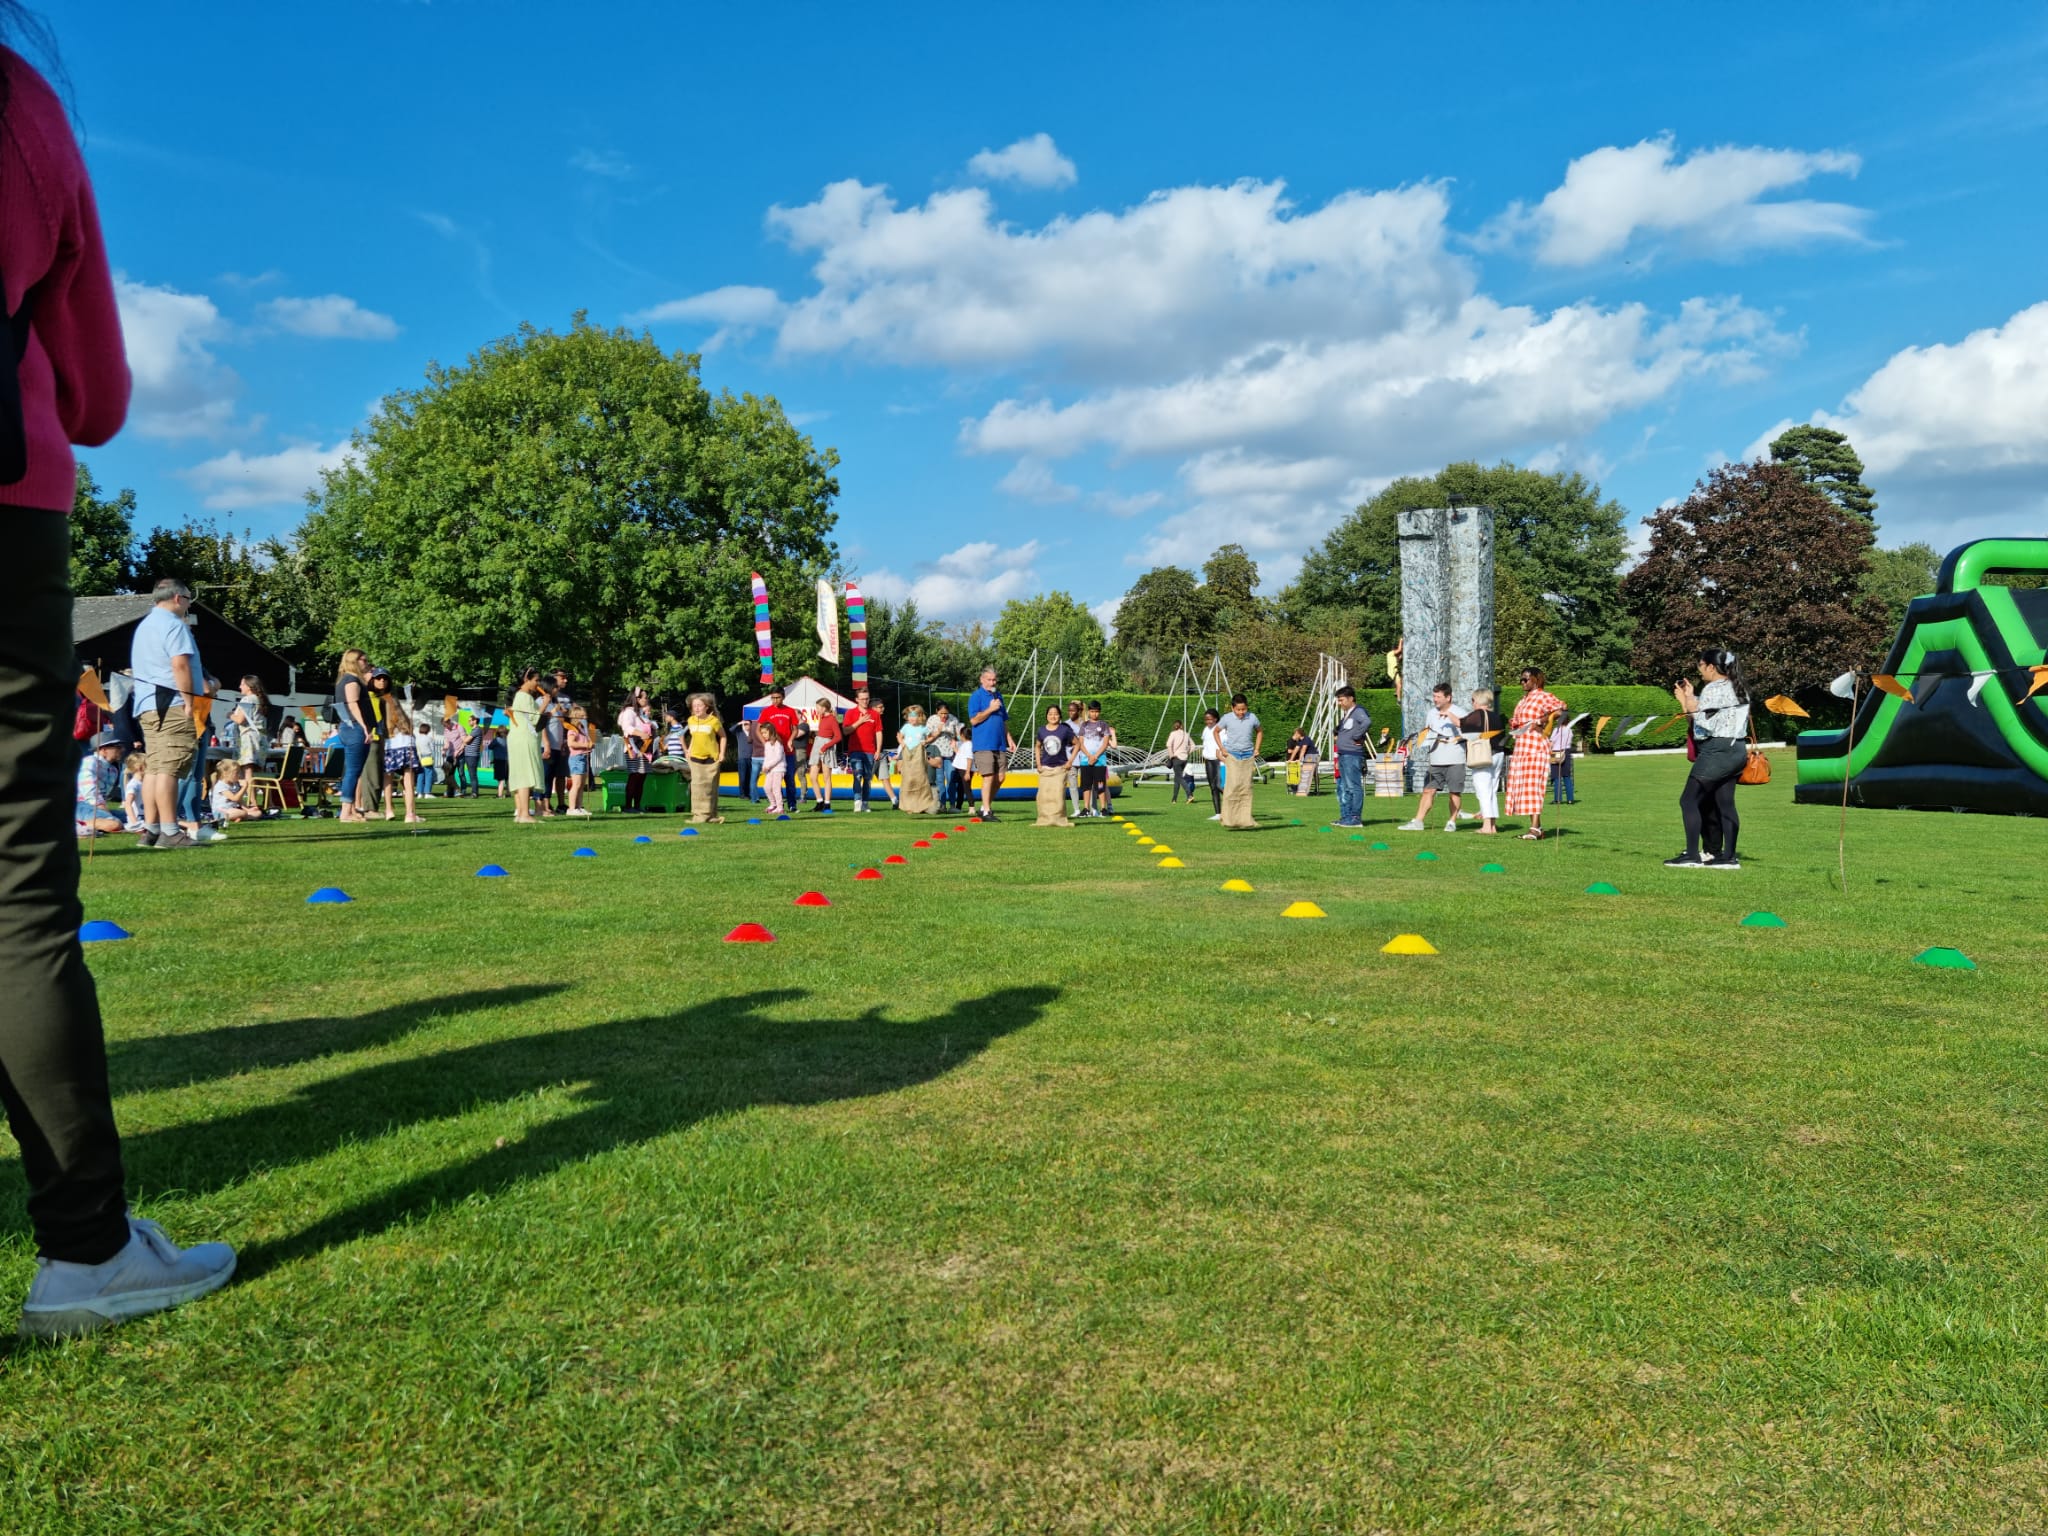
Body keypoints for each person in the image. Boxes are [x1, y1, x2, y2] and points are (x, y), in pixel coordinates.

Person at [3, 24, 236, 1336]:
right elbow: (92, 395)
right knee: (13, 886)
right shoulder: (21, 107)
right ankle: (86, 1249)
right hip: (4, 506)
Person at [128, 579, 203, 850]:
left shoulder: (144, 625)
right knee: (170, 768)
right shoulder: (173, 625)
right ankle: (171, 832)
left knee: (156, 768)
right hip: (170, 703)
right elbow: (180, 664)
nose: (189, 603)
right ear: (178, 598)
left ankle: (151, 829)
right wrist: (189, 701)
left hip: (148, 704)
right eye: (188, 598)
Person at [1667, 649, 1751, 870]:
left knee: (1688, 800)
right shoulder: (1738, 686)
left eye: (1701, 666)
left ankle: (1693, 855)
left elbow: (1706, 723)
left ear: (1711, 667)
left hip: (1716, 750)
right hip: (1738, 749)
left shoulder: (1713, 689)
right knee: (1726, 804)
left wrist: (1690, 704)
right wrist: (1692, 699)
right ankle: (1728, 857)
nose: (1700, 670)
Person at [1506, 667, 1566, 841]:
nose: (1523, 683)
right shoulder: (1522, 700)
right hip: (1521, 746)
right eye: (1521, 680)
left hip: (1536, 746)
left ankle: (1534, 829)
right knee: (1523, 786)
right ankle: (1537, 827)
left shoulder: (1543, 696)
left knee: (1533, 786)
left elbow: (1561, 710)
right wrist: (1515, 723)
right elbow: (1519, 722)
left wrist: (1541, 721)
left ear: (1536, 680)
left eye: (1526, 679)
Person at [1401, 683, 1467, 832]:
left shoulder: (1459, 712)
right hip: (1436, 760)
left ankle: (1451, 822)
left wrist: (1452, 732)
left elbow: (1468, 732)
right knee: (1428, 790)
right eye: (1434, 696)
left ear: (1448, 697)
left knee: (1454, 792)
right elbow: (1428, 732)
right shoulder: (1431, 713)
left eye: (1438, 696)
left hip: (1455, 759)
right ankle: (1418, 821)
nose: (1435, 699)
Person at [332, 649, 376, 826]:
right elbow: (353, 705)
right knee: (353, 771)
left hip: (350, 728)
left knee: (353, 770)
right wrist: (365, 727)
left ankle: (350, 810)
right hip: (354, 728)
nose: (366, 662)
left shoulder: (346, 680)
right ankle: (345, 812)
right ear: (354, 661)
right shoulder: (351, 680)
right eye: (363, 660)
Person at [967, 667, 1014, 821]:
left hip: (999, 743)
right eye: (989, 679)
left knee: (1000, 778)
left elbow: (1003, 720)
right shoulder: (976, 696)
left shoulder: (998, 696)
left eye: (994, 680)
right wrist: (990, 709)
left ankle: (984, 807)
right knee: (988, 777)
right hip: (983, 744)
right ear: (982, 680)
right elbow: (974, 720)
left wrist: (1009, 739)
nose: (992, 682)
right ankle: (987, 811)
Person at [1460, 688, 1505, 835]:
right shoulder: (1496, 717)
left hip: (1484, 755)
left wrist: (1449, 715)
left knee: (1483, 790)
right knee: (1492, 790)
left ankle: (1486, 826)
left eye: (1473, 700)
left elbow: (1463, 725)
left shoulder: (1477, 715)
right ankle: (1492, 825)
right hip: (1498, 754)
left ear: (1478, 701)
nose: (1472, 703)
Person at [1216, 696, 1262, 827]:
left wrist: (1257, 748)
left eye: (1244, 709)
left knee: (1246, 788)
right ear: (1232, 708)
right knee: (1232, 787)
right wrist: (1222, 748)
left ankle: (1245, 819)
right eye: (1238, 709)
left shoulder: (1252, 717)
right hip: (1233, 755)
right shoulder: (1227, 718)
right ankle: (1228, 819)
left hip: (1248, 755)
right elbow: (1216, 731)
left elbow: (1259, 732)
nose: (1241, 712)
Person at [1330, 684, 1371, 829]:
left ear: (1351, 698)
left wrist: (1357, 735)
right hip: (1343, 754)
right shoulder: (1348, 714)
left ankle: (1355, 818)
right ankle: (1346, 817)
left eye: (1341, 700)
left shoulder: (1358, 711)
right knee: (1345, 787)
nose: (1339, 703)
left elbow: (1366, 722)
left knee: (1353, 787)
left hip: (1352, 755)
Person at [509, 670, 547, 823]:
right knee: (525, 774)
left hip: (520, 738)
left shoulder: (521, 696)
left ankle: (521, 814)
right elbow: (534, 719)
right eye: (536, 680)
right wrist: (545, 704)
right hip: (524, 738)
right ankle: (524, 814)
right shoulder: (524, 696)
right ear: (526, 679)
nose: (538, 683)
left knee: (522, 773)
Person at [682, 692, 726, 824]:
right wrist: (688, 750)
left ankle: (711, 815)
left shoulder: (714, 721)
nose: (696, 708)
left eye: (699, 705)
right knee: (696, 787)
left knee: (710, 787)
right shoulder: (691, 720)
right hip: (695, 758)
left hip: (711, 758)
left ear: (706, 706)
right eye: (694, 706)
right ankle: (698, 815)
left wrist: (722, 753)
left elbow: (723, 737)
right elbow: (692, 737)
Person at [755, 685, 800, 808]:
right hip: (773, 753)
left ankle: (792, 804)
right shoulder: (766, 711)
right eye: (773, 698)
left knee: (789, 779)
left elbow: (795, 729)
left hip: (787, 751)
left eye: (778, 697)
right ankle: (775, 804)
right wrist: (766, 744)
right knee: (773, 781)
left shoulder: (790, 711)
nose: (775, 700)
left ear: (783, 697)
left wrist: (791, 740)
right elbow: (758, 730)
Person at [380, 694, 422, 824]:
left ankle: (388, 810)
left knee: (387, 779)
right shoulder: (405, 719)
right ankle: (409, 814)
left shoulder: (382, 721)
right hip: (407, 746)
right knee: (409, 782)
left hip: (389, 748)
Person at [74, 730, 124, 837]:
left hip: (93, 807)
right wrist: (103, 809)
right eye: (117, 747)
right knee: (114, 824)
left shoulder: (113, 769)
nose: (122, 749)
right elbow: (90, 792)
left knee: (133, 818)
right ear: (104, 749)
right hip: (80, 805)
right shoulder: (90, 761)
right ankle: (72, 824)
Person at [1033, 705, 1076, 828]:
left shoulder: (1064, 730)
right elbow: (1037, 746)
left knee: (1058, 794)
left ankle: (1059, 819)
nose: (1053, 716)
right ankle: (1044, 819)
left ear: (1060, 716)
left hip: (1060, 768)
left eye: (1056, 714)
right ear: (1047, 716)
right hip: (1045, 768)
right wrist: (1038, 763)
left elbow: (1077, 744)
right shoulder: (1041, 730)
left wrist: (1070, 761)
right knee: (1043, 795)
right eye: (1050, 714)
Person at [358, 669, 393, 818]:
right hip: (371, 738)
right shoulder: (368, 696)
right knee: (371, 774)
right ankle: (370, 809)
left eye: (385, 679)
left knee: (377, 773)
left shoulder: (384, 698)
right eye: (378, 678)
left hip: (381, 739)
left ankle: (369, 807)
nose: (382, 681)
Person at [842, 688, 883, 812]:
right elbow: (845, 731)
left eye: (867, 698)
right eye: (863, 699)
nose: (865, 701)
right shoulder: (850, 713)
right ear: (857, 700)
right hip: (855, 750)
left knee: (867, 777)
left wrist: (878, 750)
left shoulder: (874, 714)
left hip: (870, 751)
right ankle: (857, 801)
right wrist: (859, 721)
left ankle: (865, 802)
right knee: (857, 774)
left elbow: (879, 732)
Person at [616, 685, 653, 813]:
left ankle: (637, 805)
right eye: (644, 698)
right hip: (633, 748)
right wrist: (641, 733)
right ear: (636, 699)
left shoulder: (640, 713)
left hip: (644, 748)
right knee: (634, 776)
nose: (646, 700)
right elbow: (627, 727)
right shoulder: (628, 712)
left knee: (641, 777)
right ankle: (628, 806)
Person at [1075, 701, 1115, 817]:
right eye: (1092, 711)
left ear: (1099, 712)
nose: (1094, 714)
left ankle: (1103, 808)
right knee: (1086, 786)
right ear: (1088, 712)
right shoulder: (1084, 725)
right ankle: (1086, 809)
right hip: (1085, 760)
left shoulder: (1103, 725)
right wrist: (1088, 756)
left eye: (1097, 711)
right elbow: (1080, 743)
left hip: (1100, 761)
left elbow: (1105, 743)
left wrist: (1096, 756)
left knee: (1101, 785)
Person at [896, 705, 938, 814]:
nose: (912, 719)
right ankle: (908, 804)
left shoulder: (923, 728)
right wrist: (902, 743)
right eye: (910, 716)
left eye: (914, 716)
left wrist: (926, 741)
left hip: (919, 753)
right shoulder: (906, 727)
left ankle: (923, 803)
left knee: (920, 777)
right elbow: (899, 735)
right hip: (908, 752)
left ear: (920, 716)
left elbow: (931, 736)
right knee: (908, 778)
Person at [543, 669, 572, 814]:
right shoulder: (543, 700)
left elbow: (568, 720)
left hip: (560, 744)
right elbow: (541, 722)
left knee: (560, 773)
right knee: (546, 775)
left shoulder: (564, 699)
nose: (565, 681)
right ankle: (544, 805)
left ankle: (560, 804)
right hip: (548, 744)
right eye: (562, 678)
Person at [230, 675, 269, 785]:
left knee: (248, 772)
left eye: (242, 684)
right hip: (261, 738)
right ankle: (268, 802)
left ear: (249, 686)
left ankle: (252, 802)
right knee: (259, 772)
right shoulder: (260, 700)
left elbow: (240, 720)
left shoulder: (247, 699)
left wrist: (230, 715)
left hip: (249, 738)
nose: (240, 686)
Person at [806, 698, 842, 810]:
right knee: (812, 776)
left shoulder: (832, 719)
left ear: (824, 708)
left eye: (817, 708)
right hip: (817, 744)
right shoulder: (822, 717)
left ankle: (827, 803)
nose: (816, 710)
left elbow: (838, 737)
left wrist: (825, 746)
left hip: (827, 746)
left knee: (827, 777)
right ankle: (819, 801)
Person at [564, 706, 594, 816]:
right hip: (576, 758)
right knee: (576, 784)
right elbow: (571, 743)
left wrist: (591, 744)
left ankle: (579, 807)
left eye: (585, 716)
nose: (585, 718)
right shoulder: (573, 730)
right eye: (582, 716)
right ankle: (571, 808)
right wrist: (585, 745)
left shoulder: (583, 730)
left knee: (581, 785)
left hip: (584, 757)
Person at [443, 706, 475, 799]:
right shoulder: (446, 730)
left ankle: (463, 790)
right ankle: (451, 791)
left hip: (460, 754)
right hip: (450, 755)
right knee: (449, 774)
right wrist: (444, 749)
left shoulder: (459, 727)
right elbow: (446, 742)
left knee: (461, 773)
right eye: (444, 726)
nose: (446, 728)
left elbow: (465, 741)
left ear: (449, 722)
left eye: (446, 725)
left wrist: (459, 750)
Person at [759, 720, 788, 815]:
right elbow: (767, 757)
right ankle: (773, 804)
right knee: (766, 787)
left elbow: (778, 757)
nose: (763, 735)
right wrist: (764, 767)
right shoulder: (767, 744)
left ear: (771, 731)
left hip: (778, 769)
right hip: (770, 770)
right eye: (762, 733)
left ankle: (780, 807)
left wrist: (768, 766)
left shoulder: (778, 743)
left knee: (776, 788)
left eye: (765, 733)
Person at [1198, 708, 1223, 819]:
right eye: (1206, 720)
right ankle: (1218, 813)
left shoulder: (1221, 730)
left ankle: (1233, 807)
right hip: (1208, 760)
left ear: (1216, 719)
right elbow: (1205, 743)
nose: (1208, 722)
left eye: (1210, 719)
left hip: (1218, 760)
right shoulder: (1205, 730)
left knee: (1219, 785)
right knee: (1213, 786)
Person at [1064, 699, 1086, 818]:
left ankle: (1090, 808)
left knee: (1087, 784)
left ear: (1078, 711)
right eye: (1069, 711)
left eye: (1073, 710)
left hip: (1084, 758)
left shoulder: (1085, 723)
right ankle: (1076, 809)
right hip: (1071, 758)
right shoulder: (1066, 725)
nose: (1071, 713)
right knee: (1073, 785)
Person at [1164, 719, 1193, 804]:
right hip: (1184, 759)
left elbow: (1168, 745)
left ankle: (1189, 795)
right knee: (1177, 778)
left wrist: (1171, 755)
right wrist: (1187, 752)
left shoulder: (1173, 734)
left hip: (1176, 758)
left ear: (1174, 726)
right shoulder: (1186, 734)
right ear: (1181, 726)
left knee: (1179, 778)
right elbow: (1193, 745)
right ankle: (1174, 799)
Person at [1550, 720, 1577, 806]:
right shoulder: (1570, 730)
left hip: (1556, 752)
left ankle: (1558, 799)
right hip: (1566, 751)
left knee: (1557, 777)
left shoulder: (1556, 730)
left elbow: (1551, 742)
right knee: (1567, 776)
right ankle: (1570, 799)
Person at [120, 751, 147, 833]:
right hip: (139, 818)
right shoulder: (134, 785)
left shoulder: (144, 783)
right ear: (140, 768)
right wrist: (135, 822)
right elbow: (128, 804)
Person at [412, 713, 437, 799]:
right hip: (428, 757)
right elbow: (432, 749)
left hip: (419, 757)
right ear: (428, 730)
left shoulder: (417, 738)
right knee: (429, 775)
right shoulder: (429, 738)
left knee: (420, 775)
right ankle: (427, 792)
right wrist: (433, 758)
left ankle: (419, 793)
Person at [735, 716, 759, 803]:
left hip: (752, 758)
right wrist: (739, 723)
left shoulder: (754, 734)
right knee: (742, 777)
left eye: (747, 724)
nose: (746, 726)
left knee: (750, 777)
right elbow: (731, 729)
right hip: (742, 758)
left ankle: (748, 794)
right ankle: (742, 794)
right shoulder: (740, 733)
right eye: (744, 724)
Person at [949, 731, 973, 815]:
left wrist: (967, 772)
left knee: (967, 788)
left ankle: (971, 807)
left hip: (965, 769)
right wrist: (954, 747)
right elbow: (960, 754)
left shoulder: (969, 745)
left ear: (963, 735)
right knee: (960, 788)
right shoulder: (964, 744)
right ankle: (958, 806)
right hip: (961, 768)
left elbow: (969, 758)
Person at [487, 719, 510, 798]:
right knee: (507, 778)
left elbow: (490, 747)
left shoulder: (496, 740)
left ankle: (499, 794)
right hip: (508, 761)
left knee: (500, 779)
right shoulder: (508, 740)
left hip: (499, 761)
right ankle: (508, 793)